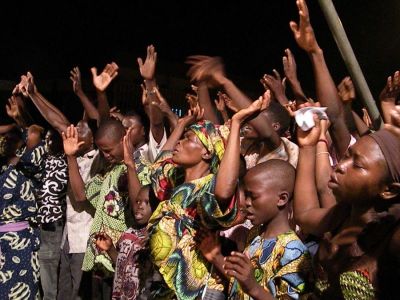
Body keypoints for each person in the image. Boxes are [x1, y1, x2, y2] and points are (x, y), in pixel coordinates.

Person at [0, 104, 44, 299]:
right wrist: (15, 124)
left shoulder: (28, 169)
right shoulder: (10, 171)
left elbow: (33, 135)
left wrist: (19, 121)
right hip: (9, 243)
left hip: (20, 242)